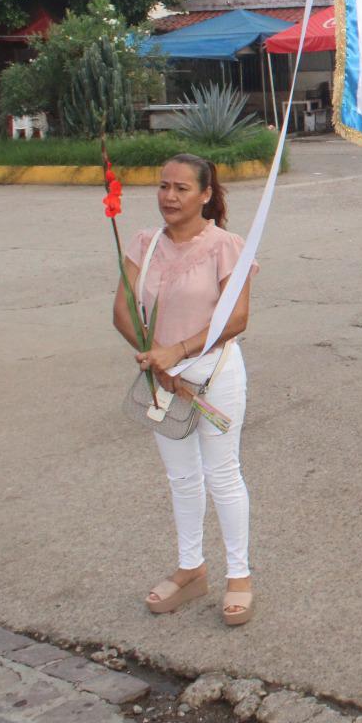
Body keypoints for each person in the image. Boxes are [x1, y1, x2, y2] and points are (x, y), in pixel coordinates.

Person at [116, 153, 259, 626]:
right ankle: (191, 568)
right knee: (181, 477)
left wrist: (175, 352)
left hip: (214, 374)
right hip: (161, 377)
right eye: (163, 186)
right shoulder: (143, 243)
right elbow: (121, 310)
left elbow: (236, 319)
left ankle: (238, 576)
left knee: (222, 473)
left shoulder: (227, 246)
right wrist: (155, 357)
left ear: (205, 194)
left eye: (180, 188)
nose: (169, 196)